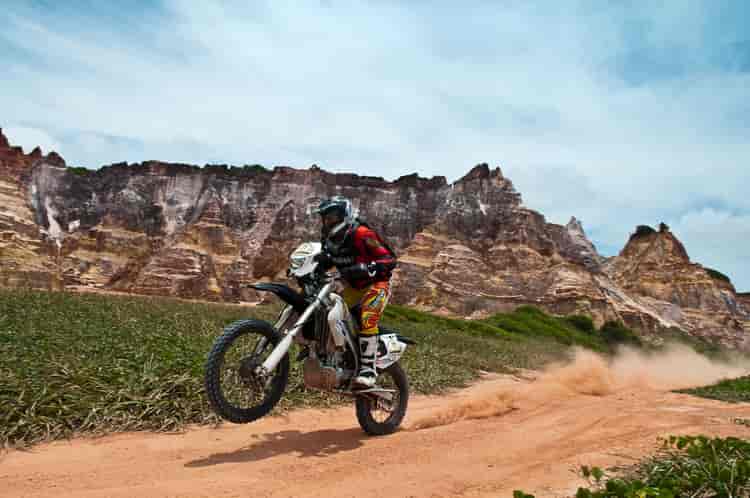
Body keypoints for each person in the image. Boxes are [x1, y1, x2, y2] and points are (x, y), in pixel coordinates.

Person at [313, 196, 397, 388]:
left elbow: (389, 259)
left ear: (345, 215)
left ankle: (368, 370)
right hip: (352, 287)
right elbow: (329, 260)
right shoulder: (328, 239)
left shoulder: (362, 234)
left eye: (333, 216)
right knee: (327, 311)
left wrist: (367, 268)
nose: (328, 221)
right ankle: (334, 357)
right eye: (325, 217)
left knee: (367, 317)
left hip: (376, 284)